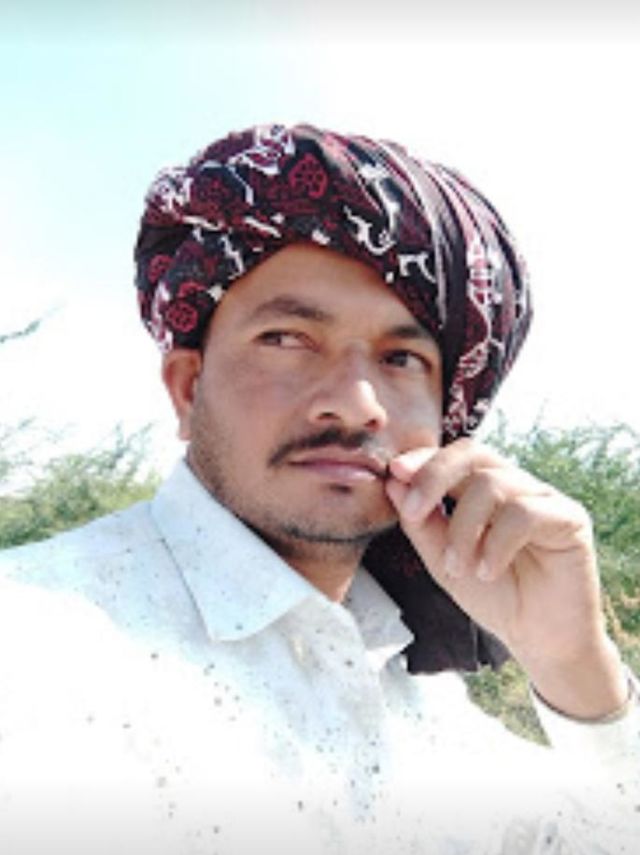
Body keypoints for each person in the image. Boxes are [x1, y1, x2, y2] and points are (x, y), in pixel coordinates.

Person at [0, 123, 637, 855]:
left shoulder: (442, 722)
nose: (357, 404)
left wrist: (572, 666)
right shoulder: (33, 650)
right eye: (288, 340)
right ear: (187, 387)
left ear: (447, 421)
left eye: (401, 358)